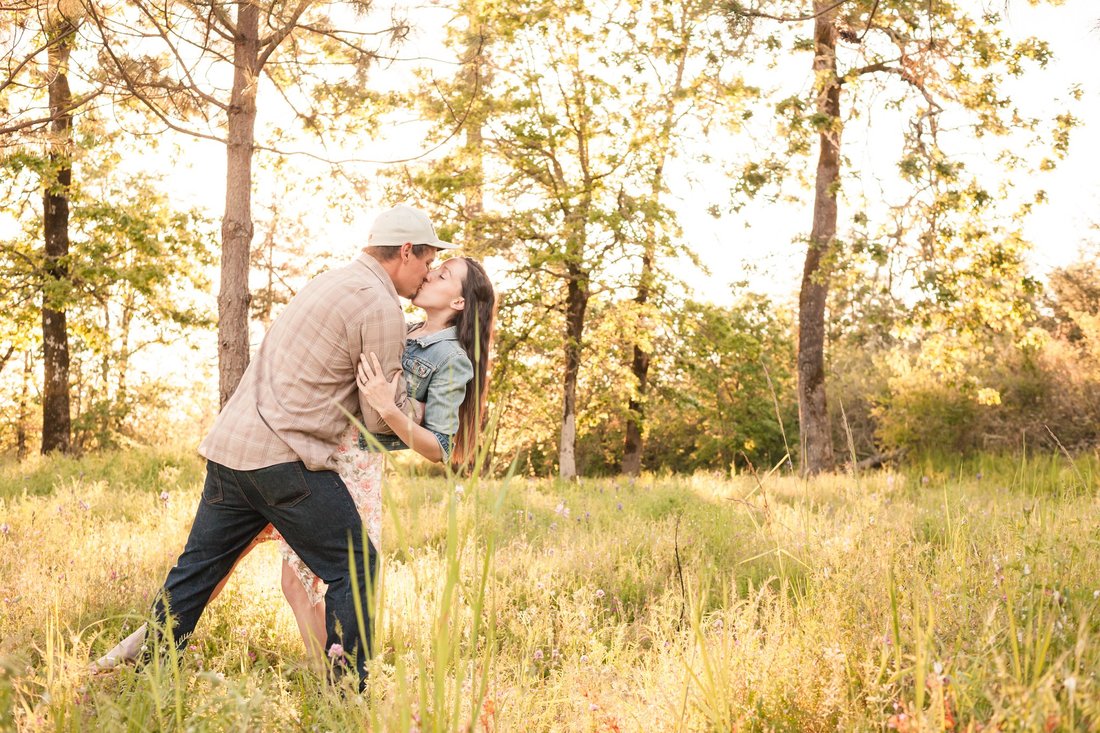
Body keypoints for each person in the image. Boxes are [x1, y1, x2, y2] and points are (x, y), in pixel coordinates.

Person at [94, 204, 455, 688]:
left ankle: (150, 683)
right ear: (406, 251)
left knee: (197, 572)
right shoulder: (381, 304)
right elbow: (375, 415)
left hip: (230, 450)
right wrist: (421, 416)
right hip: (284, 462)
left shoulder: (332, 280)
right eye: (428, 259)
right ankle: (347, 695)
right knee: (357, 568)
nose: (428, 271)